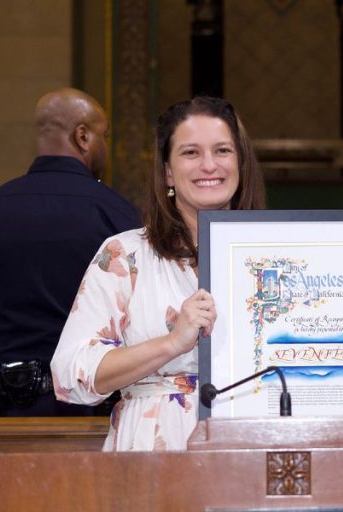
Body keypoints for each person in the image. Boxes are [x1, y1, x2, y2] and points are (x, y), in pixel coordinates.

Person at [51, 96, 266, 451]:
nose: (209, 165)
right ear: (167, 170)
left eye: (223, 151)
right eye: (191, 153)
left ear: (241, 163)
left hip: (253, 442)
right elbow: (70, 375)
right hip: (155, 448)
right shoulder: (125, 255)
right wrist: (171, 343)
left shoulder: (275, 254)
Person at [0, 88, 141, 416]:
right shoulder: (118, 215)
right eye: (104, 136)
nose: (106, 146)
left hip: (5, 412)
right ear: (83, 136)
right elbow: (140, 321)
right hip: (93, 413)